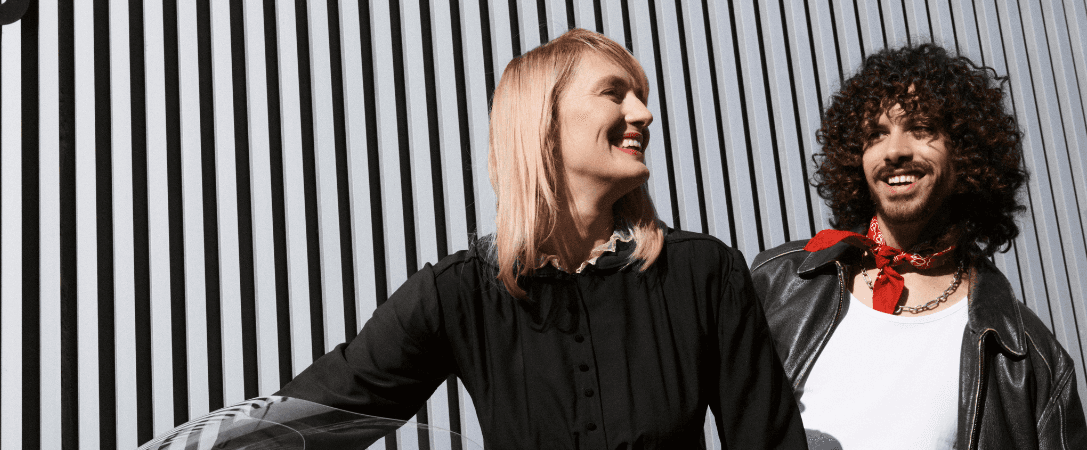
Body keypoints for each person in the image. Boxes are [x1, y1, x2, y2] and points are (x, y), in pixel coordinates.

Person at [278, 28, 805, 448]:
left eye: (641, 97)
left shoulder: (703, 272)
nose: (643, 115)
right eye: (614, 93)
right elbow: (301, 424)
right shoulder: (458, 292)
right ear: (543, 121)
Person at [750, 43, 1087, 449]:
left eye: (921, 128)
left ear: (965, 151)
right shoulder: (779, 283)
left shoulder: (1027, 356)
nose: (894, 151)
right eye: (876, 134)